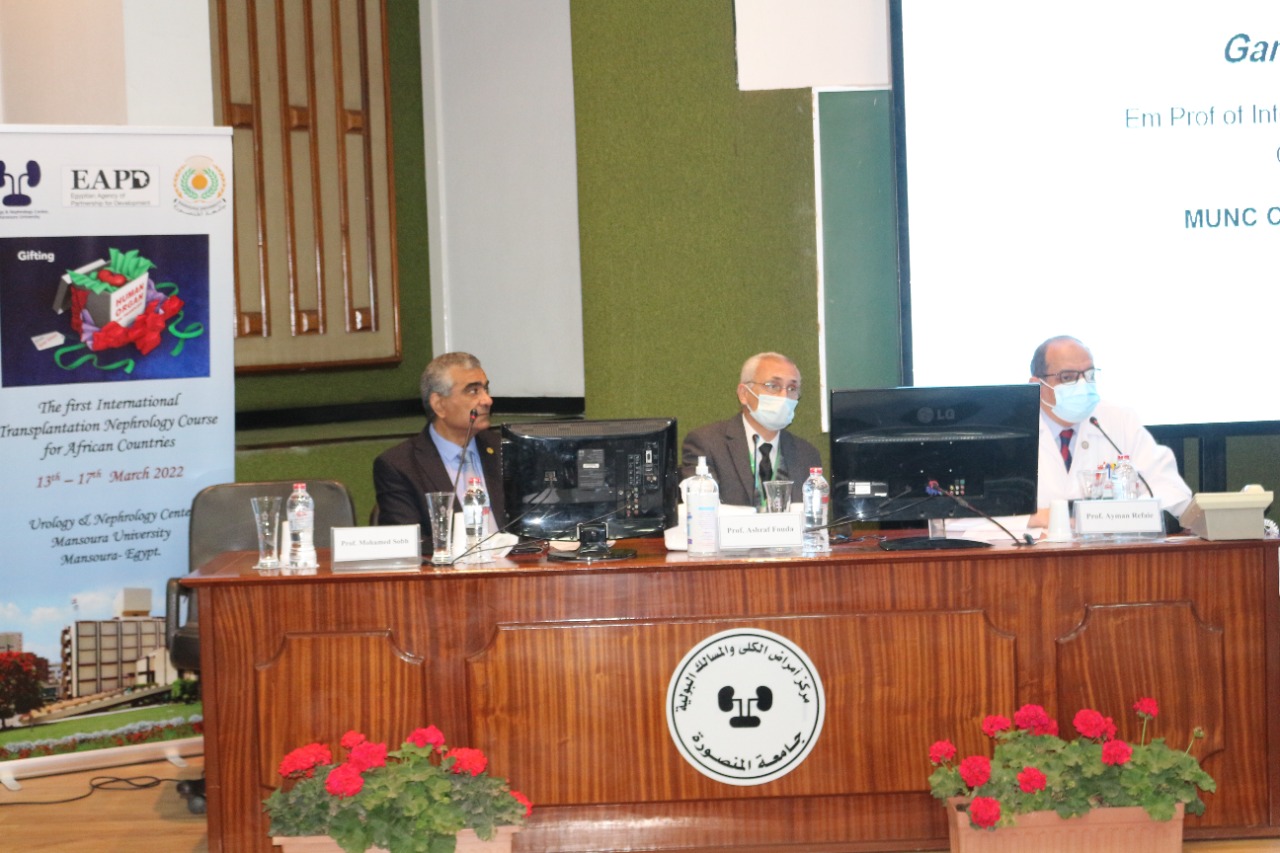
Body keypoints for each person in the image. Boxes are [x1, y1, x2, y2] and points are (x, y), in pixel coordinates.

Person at [1025, 335, 1191, 529]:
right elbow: (992, 515)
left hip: (1110, 545)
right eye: (1067, 377)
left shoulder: (1119, 420)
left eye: (1089, 375)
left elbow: (1173, 491)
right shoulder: (1011, 430)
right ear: (1037, 384)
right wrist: (1032, 519)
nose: (1083, 384)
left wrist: (1114, 515)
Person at [373, 352, 507, 536]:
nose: (487, 400)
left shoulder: (506, 449)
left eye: (486, 389)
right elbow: (407, 542)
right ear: (439, 404)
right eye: (473, 391)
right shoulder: (399, 466)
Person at [681, 352, 822, 508]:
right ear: (744, 394)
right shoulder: (707, 444)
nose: (784, 396)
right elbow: (701, 511)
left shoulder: (806, 454)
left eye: (792, 388)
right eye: (773, 386)